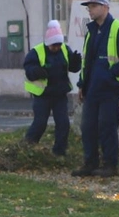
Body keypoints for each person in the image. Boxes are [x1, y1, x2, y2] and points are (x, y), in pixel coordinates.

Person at [72, 0, 119, 178]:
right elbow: (88, 62)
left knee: (107, 126)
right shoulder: (91, 31)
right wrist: (81, 84)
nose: (90, 10)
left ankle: (110, 165)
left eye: (93, 6)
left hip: (110, 89)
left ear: (105, 8)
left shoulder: (118, 29)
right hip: (92, 88)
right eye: (89, 7)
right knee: (88, 127)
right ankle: (90, 163)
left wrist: (112, 75)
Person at [22, 19, 81, 156]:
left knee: (63, 124)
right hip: (43, 95)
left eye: (59, 44)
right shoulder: (36, 52)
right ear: (48, 43)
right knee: (40, 123)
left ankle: (59, 152)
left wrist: (76, 62)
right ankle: (27, 148)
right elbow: (28, 69)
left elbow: (72, 68)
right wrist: (36, 71)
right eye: (53, 45)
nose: (56, 48)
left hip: (60, 94)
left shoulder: (65, 49)